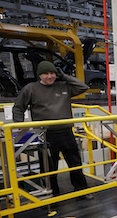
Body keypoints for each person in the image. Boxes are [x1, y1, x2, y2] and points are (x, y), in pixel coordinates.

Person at [12, 61, 93, 200]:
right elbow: (18, 107)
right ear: (39, 75)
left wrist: (65, 76)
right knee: (49, 166)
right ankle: (51, 194)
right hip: (45, 134)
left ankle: (81, 191)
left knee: (75, 163)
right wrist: (19, 125)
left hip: (66, 131)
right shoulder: (31, 89)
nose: (50, 76)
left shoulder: (63, 85)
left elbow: (83, 87)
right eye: (46, 74)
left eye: (52, 73)